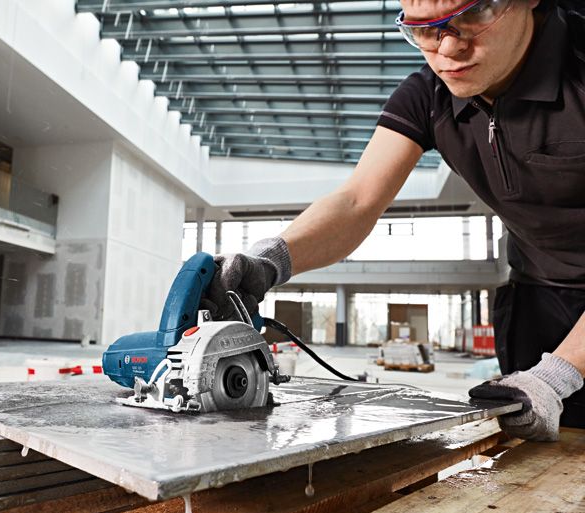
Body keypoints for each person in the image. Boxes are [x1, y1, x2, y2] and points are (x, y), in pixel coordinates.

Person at [202, 0, 585, 441]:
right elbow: (356, 201)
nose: (447, 50)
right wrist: (268, 261)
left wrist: (557, 375)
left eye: (472, 17)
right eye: (424, 30)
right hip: (539, 299)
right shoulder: (429, 95)